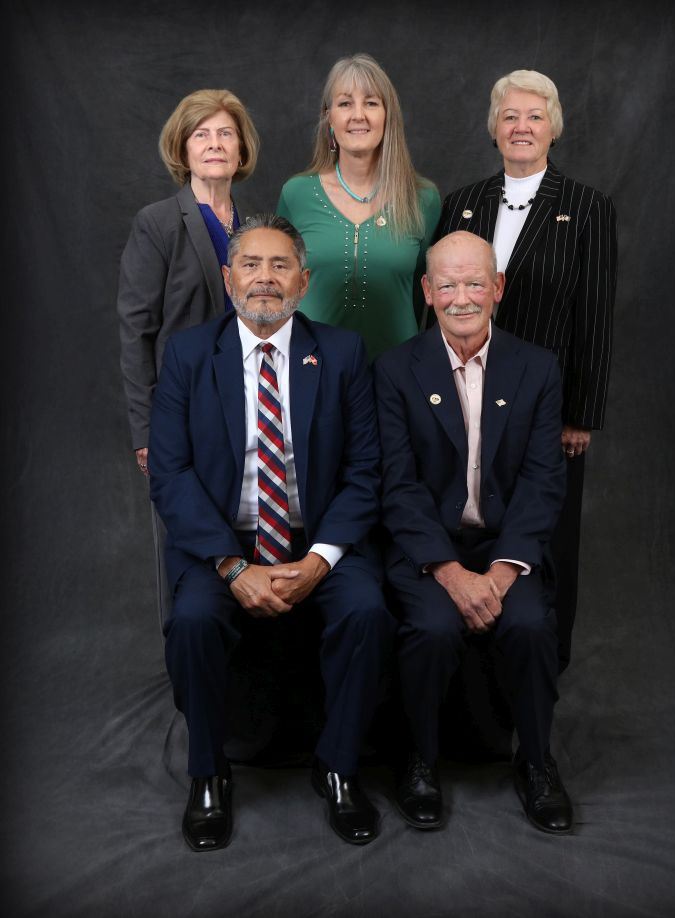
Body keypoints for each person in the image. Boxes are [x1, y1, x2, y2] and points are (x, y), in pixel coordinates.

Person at [148, 214, 394, 851]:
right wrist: (231, 567)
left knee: (367, 608)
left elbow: (366, 470)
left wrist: (319, 560)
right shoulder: (188, 354)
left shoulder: (339, 353)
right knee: (195, 621)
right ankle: (209, 774)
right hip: (222, 545)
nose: (265, 278)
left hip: (317, 538)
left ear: (303, 280)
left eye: (279, 265)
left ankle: (338, 767)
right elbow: (170, 474)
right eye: (251, 265)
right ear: (228, 278)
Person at [374, 231, 573, 835]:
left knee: (533, 623)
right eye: (449, 284)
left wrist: (504, 571)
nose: (463, 297)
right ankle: (419, 763)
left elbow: (543, 483)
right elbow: (398, 486)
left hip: (503, 547)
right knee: (432, 628)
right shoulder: (394, 369)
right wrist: (451, 573)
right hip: (430, 551)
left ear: (498, 288)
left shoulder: (537, 368)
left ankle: (536, 762)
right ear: (428, 293)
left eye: (475, 282)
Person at [435, 69, 617, 671]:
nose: (521, 126)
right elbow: (436, 300)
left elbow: (595, 317)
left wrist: (580, 416)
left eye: (535, 116)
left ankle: (543, 672)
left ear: (554, 129)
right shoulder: (462, 202)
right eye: (510, 116)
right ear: (493, 128)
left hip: (548, 408)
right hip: (465, 393)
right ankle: (464, 670)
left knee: (544, 542)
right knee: (467, 525)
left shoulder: (587, 207)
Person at [117, 88, 259, 622]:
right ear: (183, 148)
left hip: (247, 407)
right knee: (184, 544)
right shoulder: (157, 222)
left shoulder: (250, 228)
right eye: (202, 134)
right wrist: (146, 430)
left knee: (240, 536)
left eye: (226, 133)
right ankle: (186, 673)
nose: (215, 144)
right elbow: (136, 331)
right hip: (181, 412)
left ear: (242, 151)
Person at [276, 52, 440, 361]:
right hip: (312, 371)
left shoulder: (423, 198)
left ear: (388, 116)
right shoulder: (297, 193)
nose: (358, 115)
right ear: (329, 117)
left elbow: (423, 295)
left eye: (371, 103)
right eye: (345, 103)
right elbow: (280, 286)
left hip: (397, 373)